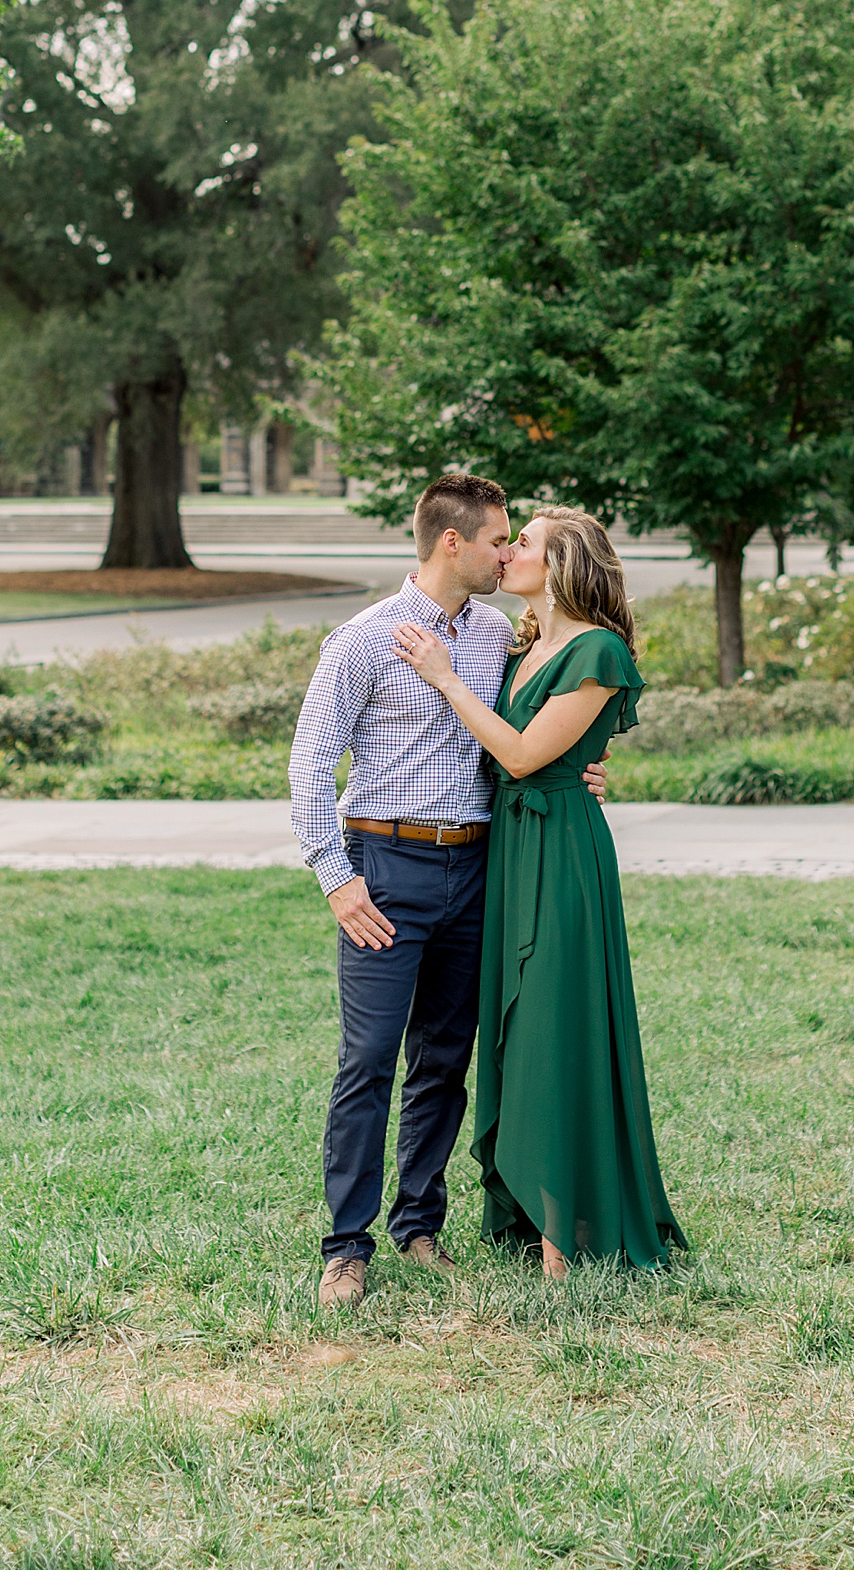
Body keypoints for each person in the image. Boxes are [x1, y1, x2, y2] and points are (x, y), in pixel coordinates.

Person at [289, 473, 611, 1309]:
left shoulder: (497, 635)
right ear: (452, 542)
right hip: (384, 868)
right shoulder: (362, 640)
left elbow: (531, 731)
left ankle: (419, 1227)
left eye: (514, 542)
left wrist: (585, 770)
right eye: (499, 540)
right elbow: (308, 764)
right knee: (367, 1061)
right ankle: (346, 1249)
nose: (507, 554)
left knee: (443, 1060)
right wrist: (336, 879)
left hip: (476, 869)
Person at [394, 505, 685, 1276]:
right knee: (517, 1029)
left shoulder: (597, 650)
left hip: (560, 855)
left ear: (561, 566)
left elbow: (523, 756)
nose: (508, 552)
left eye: (522, 543)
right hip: (512, 849)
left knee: (556, 1025)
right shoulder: (523, 646)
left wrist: (445, 680)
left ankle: (566, 1238)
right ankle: (533, 1213)